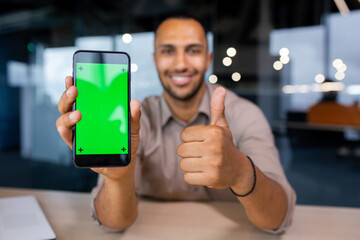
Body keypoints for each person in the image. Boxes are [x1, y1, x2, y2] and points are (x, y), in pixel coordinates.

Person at [56, 15, 296, 234]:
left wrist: (241, 171)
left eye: (193, 50)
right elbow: (114, 224)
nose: (181, 64)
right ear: (155, 59)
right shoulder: (135, 119)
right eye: (168, 51)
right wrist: (118, 178)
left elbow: (277, 219)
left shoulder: (245, 115)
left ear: (208, 58)